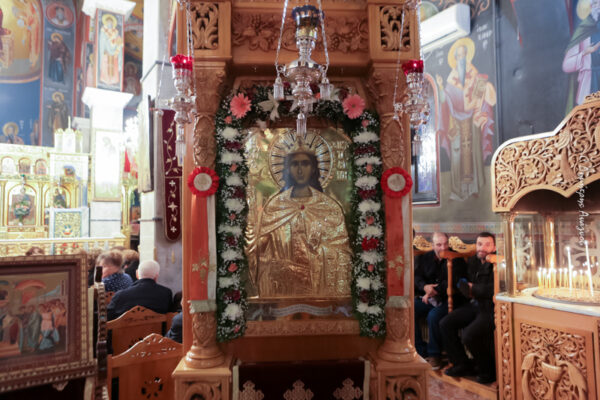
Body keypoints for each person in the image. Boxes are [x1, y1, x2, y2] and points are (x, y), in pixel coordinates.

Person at [248, 137, 352, 298]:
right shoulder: (275, 207)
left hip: (319, 294)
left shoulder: (329, 207)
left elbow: (342, 252)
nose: (300, 170)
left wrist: (318, 250)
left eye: (305, 164)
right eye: (295, 164)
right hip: (283, 290)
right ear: (287, 169)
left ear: (314, 168)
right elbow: (262, 255)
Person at [436, 37, 496, 201]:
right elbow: (444, 100)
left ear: (467, 56)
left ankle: (474, 188)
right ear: (454, 59)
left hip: (472, 122)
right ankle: (457, 191)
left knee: (473, 152)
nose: (461, 59)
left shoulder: (475, 75)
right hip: (456, 122)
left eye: (463, 55)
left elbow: (481, 96)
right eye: (458, 56)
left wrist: (484, 92)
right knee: (457, 155)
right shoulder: (451, 80)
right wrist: (440, 87)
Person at [440, 232, 497, 384]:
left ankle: (488, 371)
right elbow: (462, 280)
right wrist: (464, 287)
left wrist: (474, 289)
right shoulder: (473, 260)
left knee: (469, 335)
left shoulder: (497, 263)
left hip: (490, 308)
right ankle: (461, 364)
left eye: (487, 245)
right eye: (479, 244)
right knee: (445, 323)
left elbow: (494, 289)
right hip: (473, 304)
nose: (482, 248)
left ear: (494, 247)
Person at [414, 232, 466, 370]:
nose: (443, 248)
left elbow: (453, 282)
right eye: (439, 244)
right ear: (432, 245)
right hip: (430, 298)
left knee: (434, 315)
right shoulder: (426, 257)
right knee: (411, 308)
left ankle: (434, 355)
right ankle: (420, 350)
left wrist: (433, 290)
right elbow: (417, 277)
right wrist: (424, 287)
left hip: (450, 299)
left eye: (445, 244)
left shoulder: (456, 258)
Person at [563, 0, 600, 111]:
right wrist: (584, 53)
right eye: (596, 3)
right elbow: (566, 65)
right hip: (589, 85)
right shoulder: (583, 30)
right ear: (590, 7)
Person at [106, 260, 173, 320]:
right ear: (156, 276)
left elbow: (107, 319)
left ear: (137, 274)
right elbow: (170, 316)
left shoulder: (121, 295)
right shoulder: (166, 293)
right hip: (156, 330)